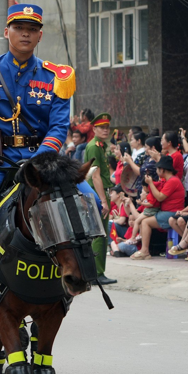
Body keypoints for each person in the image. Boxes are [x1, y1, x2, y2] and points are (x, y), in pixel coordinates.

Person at [0, 4, 98, 292]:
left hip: (40, 162)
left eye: (32, 29)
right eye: (19, 28)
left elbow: (58, 127)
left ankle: (88, 268)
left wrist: (38, 162)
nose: (25, 34)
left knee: (91, 201)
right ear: (6, 32)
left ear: (40, 36)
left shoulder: (56, 77)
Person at [130, 156, 186, 260]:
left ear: (162, 169)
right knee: (144, 221)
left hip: (171, 212)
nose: (156, 171)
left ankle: (145, 251)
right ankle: (144, 250)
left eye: (157, 169)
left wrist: (150, 183)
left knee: (145, 222)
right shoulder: (169, 180)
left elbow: (160, 197)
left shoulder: (172, 181)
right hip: (167, 212)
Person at [81, 113, 115, 284]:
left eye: (107, 127)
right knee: (99, 235)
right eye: (102, 127)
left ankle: (95, 272)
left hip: (99, 193)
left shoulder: (99, 145)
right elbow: (95, 176)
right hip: (97, 194)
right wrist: (102, 200)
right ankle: (96, 273)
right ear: (94, 129)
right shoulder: (94, 146)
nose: (105, 130)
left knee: (99, 234)